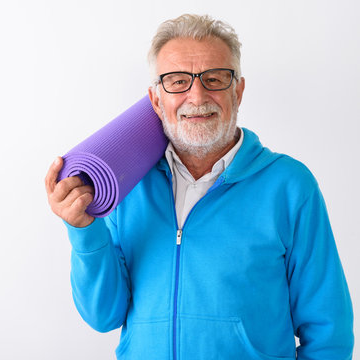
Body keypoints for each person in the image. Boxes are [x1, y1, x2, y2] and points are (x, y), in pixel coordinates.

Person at [45, 14, 354, 360]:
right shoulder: (126, 185)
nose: (197, 95)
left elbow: (330, 332)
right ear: (156, 99)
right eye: (177, 81)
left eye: (215, 79)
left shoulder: (290, 186)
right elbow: (104, 316)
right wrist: (85, 231)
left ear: (238, 91)